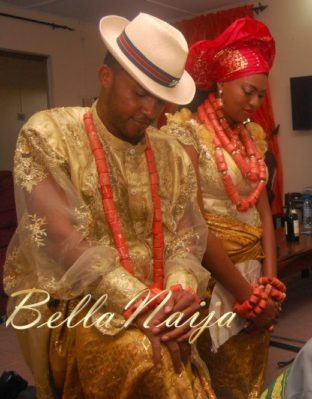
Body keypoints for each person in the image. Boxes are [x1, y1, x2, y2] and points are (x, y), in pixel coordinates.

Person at [3, 13, 217, 398]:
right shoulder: (49, 134)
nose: (151, 111)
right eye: (139, 93)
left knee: (179, 346)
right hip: (76, 305)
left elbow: (186, 234)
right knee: (141, 355)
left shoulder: (171, 153)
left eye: (161, 99)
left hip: (156, 298)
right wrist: (140, 304)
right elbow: (66, 244)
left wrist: (178, 290)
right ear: (106, 77)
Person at [161, 17, 282, 399]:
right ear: (220, 83)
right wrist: (246, 294)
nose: (254, 103)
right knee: (218, 373)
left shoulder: (252, 138)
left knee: (251, 372)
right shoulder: (187, 134)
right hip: (214, 272)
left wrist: (270, 285)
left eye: (261, 95)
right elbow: (193, 224)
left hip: (254, 271)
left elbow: (263, 212)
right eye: (248, 91)